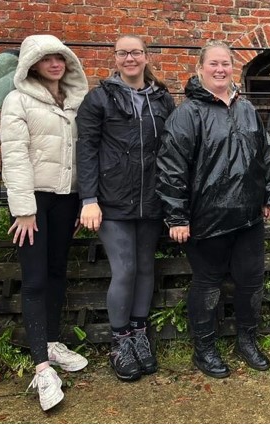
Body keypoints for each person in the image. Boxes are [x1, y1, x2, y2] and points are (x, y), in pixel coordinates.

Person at [157, 40, 270, 379]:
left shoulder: (247, 109)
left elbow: (264, 153)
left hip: (248, 216)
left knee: (251, 282)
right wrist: (177, 216)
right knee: (207, 283)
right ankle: (204, 347)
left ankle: (247, 340)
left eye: (226, 63)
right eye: (213, 63)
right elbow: (171, 166)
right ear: (200, 68)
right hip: (206, 219)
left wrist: (268, 194)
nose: (220, 69)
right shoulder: (187, 114)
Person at [76, 35, 175, 382]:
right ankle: (119, 342)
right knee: (126, 269)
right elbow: (86, 149)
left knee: (146, 268)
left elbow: (171, 151)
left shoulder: (163, 100)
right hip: (112, 201)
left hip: (152, 199)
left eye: (136, 52)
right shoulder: (99, 98)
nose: (129, 58)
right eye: (122, 53)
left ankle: (139, 335)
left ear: (147, 57)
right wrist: (88, 199)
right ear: (115, 58)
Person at [0, 34, 89, 411]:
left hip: (66, 200)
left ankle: (52, 343)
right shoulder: (17, 100)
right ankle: (41, 368)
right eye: (46, 58)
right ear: (32, 64)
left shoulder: (74, 102)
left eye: (60, 57)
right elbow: (15, 155)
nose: (55, 64)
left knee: (56, 272)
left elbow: (85, 152)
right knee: (35, 278)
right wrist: (23, 208)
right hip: (33, 202)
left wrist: (85, 199)